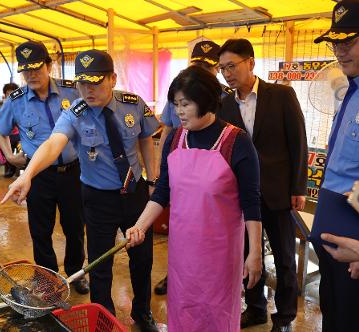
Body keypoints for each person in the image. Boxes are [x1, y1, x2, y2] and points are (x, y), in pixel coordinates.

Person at [1, 49, 160, 332]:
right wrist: (28, 174)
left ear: (112, 78)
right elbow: (52, 144)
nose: (88, 90)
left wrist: (152, 180)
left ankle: (142, 312)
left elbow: (147, 138)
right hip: (98, 198)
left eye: (96, 82)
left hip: (135, 194)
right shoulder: (74, 113)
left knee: (142, 259)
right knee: (100, 265)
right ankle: (104, 319)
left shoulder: (132, 104)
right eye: (82, 83)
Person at [126, 65, 262, 331]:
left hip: (220, 253)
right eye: (176, 104)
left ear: (205, 101)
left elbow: (251, 203)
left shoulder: (236, 142)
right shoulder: (175, 139)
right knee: (184, 307)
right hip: (183, 251)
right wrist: (140, 226)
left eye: (185, 104)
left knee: (216, 311)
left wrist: (255, 252)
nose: (178, 112)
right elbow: (162, 191)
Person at [216, 39, 308, 332]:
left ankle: (284, 317)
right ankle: (255, 308)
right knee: (245, 255)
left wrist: (299, 188)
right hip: (240, 196)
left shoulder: (281, 95)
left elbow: (298, 143)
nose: (227, 74)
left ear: (251, 62)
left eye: (232, 66)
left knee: (284, 258)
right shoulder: (223, 104)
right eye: (222, 69)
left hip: (279, 193)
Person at [0, 41, 89, 295]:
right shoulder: (15, 101)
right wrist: (9, 156)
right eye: (26, 71)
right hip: (37, 175)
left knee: (75, 227)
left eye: (37, 68)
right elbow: (1, 131)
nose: (32, 75)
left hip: (73, 171)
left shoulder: (73, 92)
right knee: (40, 230)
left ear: (50, 65)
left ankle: (75, 274)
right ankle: (47, 277)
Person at [310, 1, 359, 331]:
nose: (339, 51)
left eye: (349, 41)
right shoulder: (353, 90)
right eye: (335, 42)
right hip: (333, 248)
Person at [153, 40, 233, 295]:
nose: (203, 70)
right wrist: (159, 168)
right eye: (197, 64)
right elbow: (167, 128)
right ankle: (174, 274)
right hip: (183, 172)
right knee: (180, 228)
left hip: (215, 181)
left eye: (208, 66)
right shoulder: (181, 91)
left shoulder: (226, 97)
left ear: (217, 69)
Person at [0, 82, 20, 178]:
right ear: (5, 94)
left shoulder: (20, 104)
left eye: (12, 92)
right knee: (0, 145)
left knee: (15, 143)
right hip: (7, 133)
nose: (10, 95)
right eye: (8, 93)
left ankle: (13, 167)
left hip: (18, 134)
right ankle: (9, 166)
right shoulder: (3, 104)